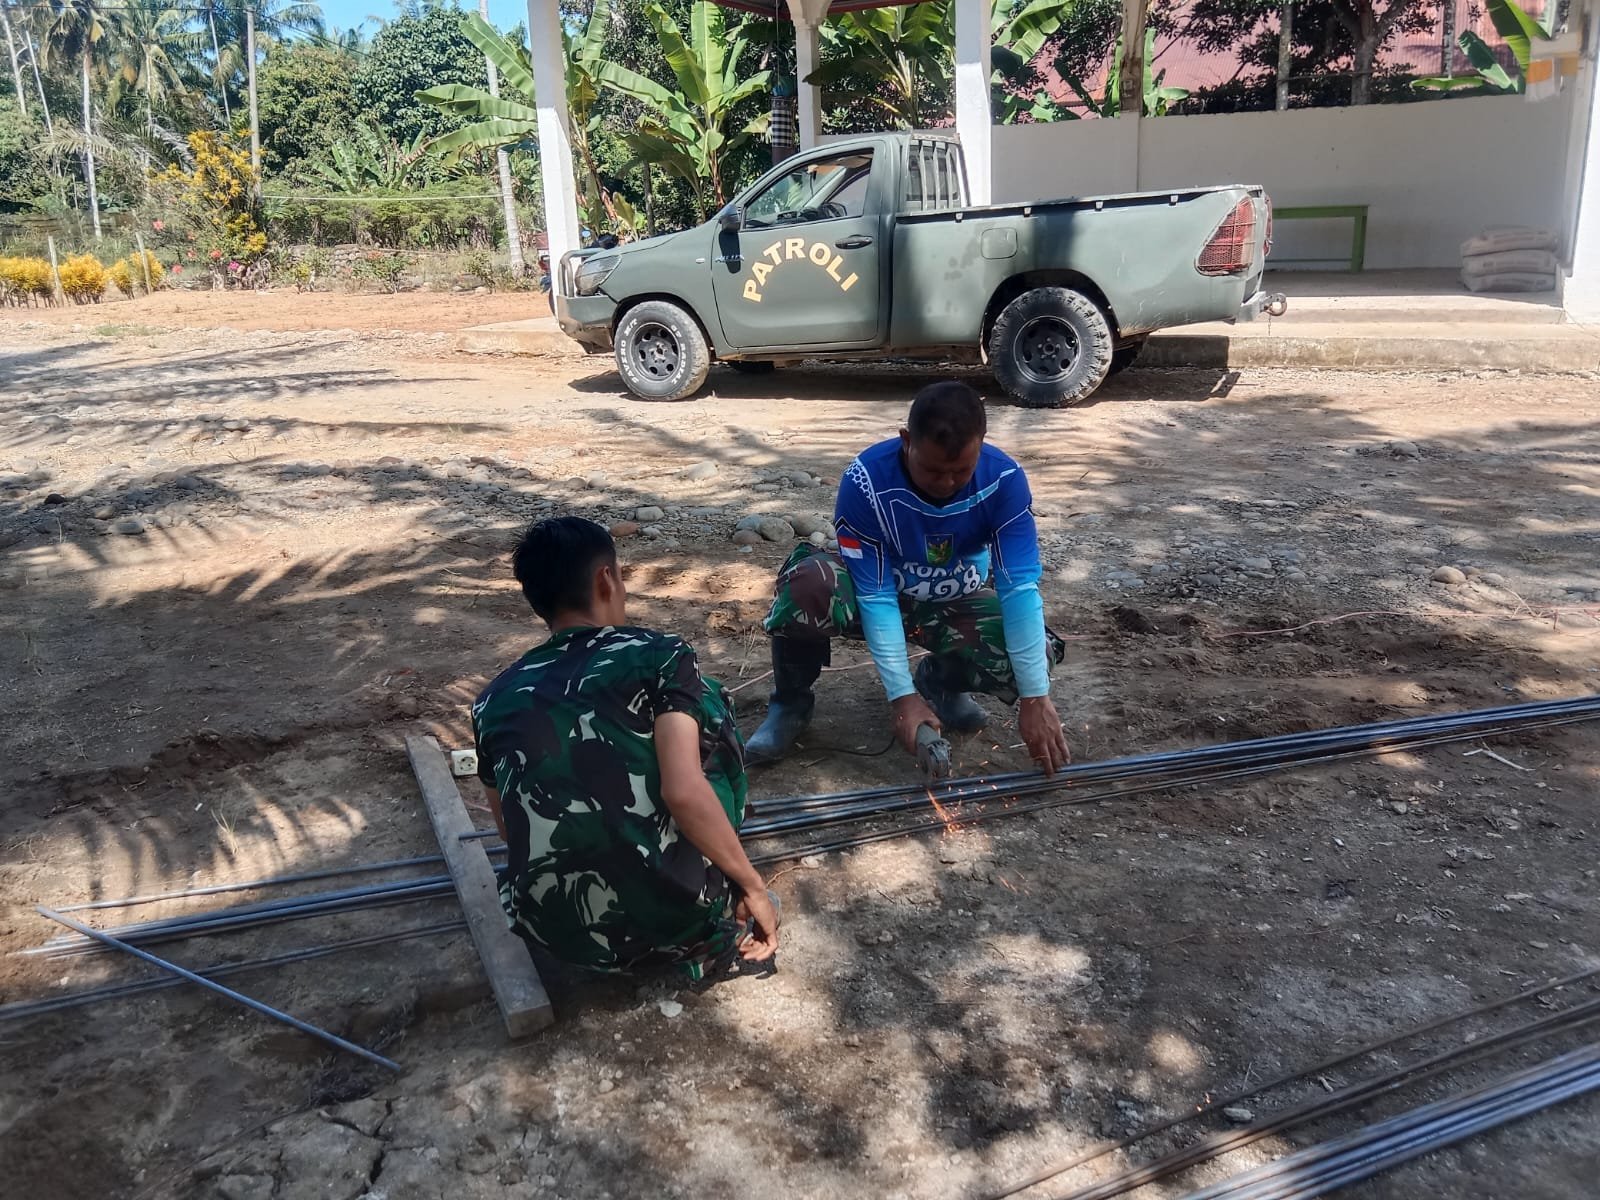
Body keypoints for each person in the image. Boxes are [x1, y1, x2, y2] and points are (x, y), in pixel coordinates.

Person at [472, 517, 779, 982]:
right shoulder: (661, 654)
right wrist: (753, 885)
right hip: (675, 928)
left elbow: (507, 829)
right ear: (606, 579)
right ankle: (721, 887)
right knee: (708, 701)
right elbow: (682, 791)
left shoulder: (492, 699)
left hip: (551, 932)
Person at [746, 380, 1071, 773]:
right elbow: (876, 595)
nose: (946, 484)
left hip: (954, 599)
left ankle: (940, 684)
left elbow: (1018, 588)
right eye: (932, 470)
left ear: (981, 446)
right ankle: (789, 704)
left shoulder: (1004, 481)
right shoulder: (866, 481)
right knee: (809, 584)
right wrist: (901, 698)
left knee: (1038, 652)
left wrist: (1035, 697)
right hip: (875, 596)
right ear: (906, 441)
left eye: (961, 471)